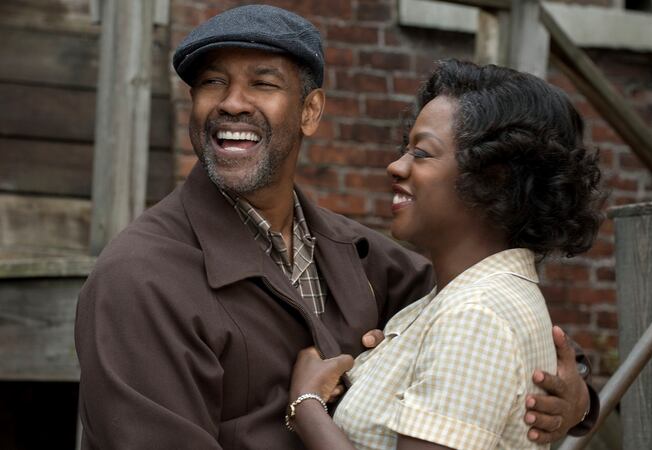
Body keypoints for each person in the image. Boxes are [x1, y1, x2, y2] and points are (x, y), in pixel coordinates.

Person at [75, 5, 596, 449]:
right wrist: (306, 406)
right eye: (212, 82)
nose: (232, 102)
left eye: (263, 83)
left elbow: (484, 323)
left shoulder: (361, 256)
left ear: (310, 111)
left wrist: (578, 397)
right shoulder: (140, 278)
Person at [285, 59, 604, 450]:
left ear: (493, 178)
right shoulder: (451, 300)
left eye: (421, 153)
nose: (395, 166)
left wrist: (306, 405)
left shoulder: (476, 315)